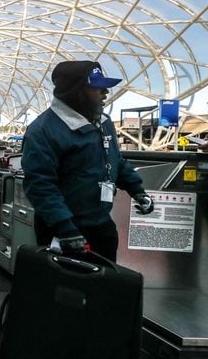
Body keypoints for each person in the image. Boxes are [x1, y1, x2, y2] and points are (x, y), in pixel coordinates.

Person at [22, 60, 153, 261]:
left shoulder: (103, 122)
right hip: (62, 230)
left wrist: (137, 190)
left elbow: (115, 160)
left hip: (101, 225)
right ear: (77, 91)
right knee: (65, 289)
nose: (105, 93)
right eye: (97, 87)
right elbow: (40, 185)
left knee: (103, 287)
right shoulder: (43, 130)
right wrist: (65, 229)